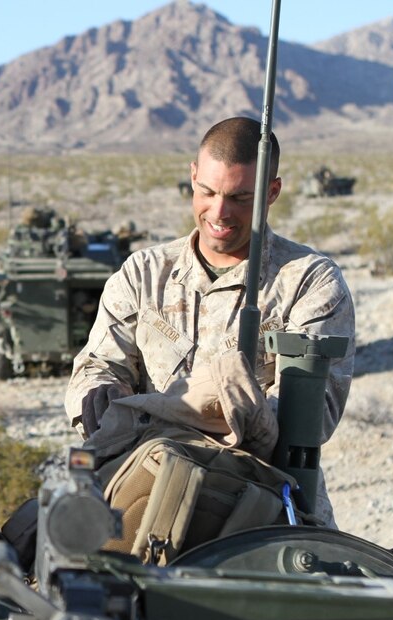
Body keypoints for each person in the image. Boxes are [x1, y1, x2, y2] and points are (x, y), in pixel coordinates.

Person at [64, 116, 354, 525]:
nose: (219, 212)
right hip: (143, 495)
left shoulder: (308, 281)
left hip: (265, 504)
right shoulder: (144, 274)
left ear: (272, 193)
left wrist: (168, 415)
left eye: (240, 197)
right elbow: (96, 366)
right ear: (193, 177)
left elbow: (312, 415)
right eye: (207, 192)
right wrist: (99, 393)